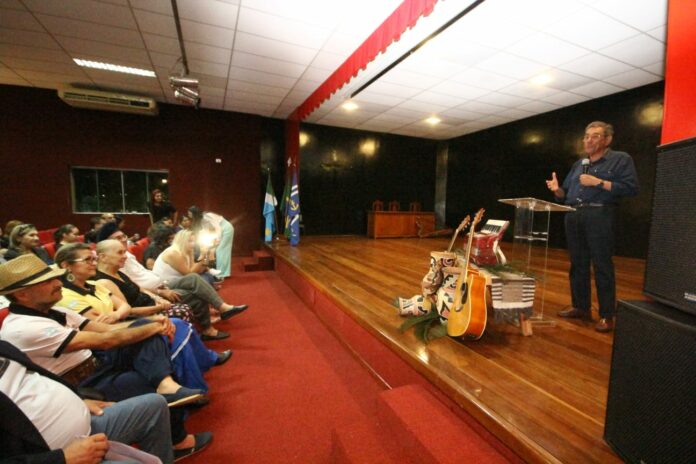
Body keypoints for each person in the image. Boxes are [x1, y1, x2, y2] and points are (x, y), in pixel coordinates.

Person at [0, 254, 213, 460]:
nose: (58, 283)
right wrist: (152, 327)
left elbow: (106, 329)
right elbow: (105, 340)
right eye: (47, 282)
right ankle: (176, 437)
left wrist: (151, 322)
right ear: (22, 294)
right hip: (81, 382)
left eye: (54, 277)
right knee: (144, 380)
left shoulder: (54, 309)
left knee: (145, 332)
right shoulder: (23, 328)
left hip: (98, 364)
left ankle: (166, 385)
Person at [54, 243, 228, 392]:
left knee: (177, 324)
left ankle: (197, 374)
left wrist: (116, 314)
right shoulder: (67, 295)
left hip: (122, 326)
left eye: (93, 259)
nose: (94, 263)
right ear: (66, 266)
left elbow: (124, 307)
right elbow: (100, 326)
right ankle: (190, 383)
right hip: (107, 342)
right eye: (87, 260)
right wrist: (146, 319)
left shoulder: (94, 285)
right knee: (171, 325)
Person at [1, 340, 175, 463]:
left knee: (155, 405)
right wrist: (62, 458)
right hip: (52, 456)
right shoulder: (20, 327)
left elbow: (38, 378)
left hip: (85, 427)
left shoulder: (3, 346)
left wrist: (79, 399)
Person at [546, 121, 638, 333]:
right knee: (577, 264)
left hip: (600, 215)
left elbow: (631, 188)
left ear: (607, 140)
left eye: (595, 136)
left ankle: (607, 314)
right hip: (573, 215)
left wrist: (599, 182)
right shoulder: (579, 164)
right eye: (586, 136)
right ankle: (581, 307)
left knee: (602, 265)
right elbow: (564, 194)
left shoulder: (620, 159)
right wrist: (557, 189)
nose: (588, 140)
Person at [97, 222, 248, 341]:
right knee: (197, 285)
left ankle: (221, 309)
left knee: (198, 279)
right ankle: (210, 325)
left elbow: (201, 268)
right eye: (117, 239)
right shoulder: (116, 266)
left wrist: (206, 252)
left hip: (162, 285)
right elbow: (133, 291)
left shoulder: (127, 256)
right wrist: (159, 294)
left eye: (123, 236)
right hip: (158, 290)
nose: (124, 240)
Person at [188, 206, 234, 278]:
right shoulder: (201, 220)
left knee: (220, 250)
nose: (189, 215)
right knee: (216, 250)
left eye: (190, 214)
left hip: (226, 228)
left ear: (194, 213)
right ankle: (222, 273)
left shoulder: (207, 215)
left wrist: (217, 240)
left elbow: (217, 227)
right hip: (220, 231)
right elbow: (206, 231)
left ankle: (222, 274)